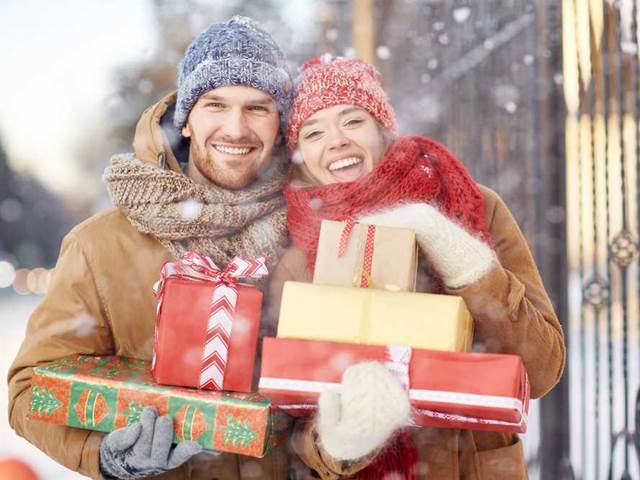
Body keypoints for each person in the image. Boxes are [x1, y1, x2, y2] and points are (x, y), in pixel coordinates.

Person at [8, 16, 296, 479]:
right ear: (185, 120)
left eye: (258, 107)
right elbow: (28, 390)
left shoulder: (309, 236)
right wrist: (106, 457)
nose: (236, 128)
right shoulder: (100, 246)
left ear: (280, 123)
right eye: (215, 104)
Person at [270, 56, 566, 479]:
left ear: (381, 128)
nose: (334, 141)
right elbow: (290, 405)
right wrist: (339, 442)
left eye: (352, 121)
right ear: (301, 155)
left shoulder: (475, 206)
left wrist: (457, 254)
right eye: (313, 132)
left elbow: (541, 369)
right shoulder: (296, 253)